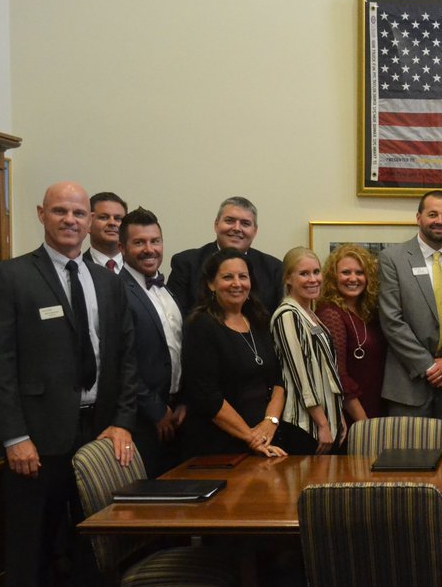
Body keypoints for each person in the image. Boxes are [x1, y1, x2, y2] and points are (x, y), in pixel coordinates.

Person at [0, 181, 138, 587]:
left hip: (97, 434)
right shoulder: (12, 277)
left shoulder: (108, 282)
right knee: (32, 549)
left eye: (79, 213)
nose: (71, 220)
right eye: (60, 211)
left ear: (90, 222)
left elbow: (125, 358)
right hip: (36, 440)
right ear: (41, 214)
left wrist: (122, 421)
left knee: (94, 543)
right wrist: (14, 436)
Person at [181, 248, 308, 458]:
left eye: (243, 276)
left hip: (267, 436)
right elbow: (207, 397)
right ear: (211, 284)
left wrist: (270, 422)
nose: (237, 283)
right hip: (221, 446)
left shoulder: (259, 319)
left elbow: (279, 378)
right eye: (227, 277)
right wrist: (251, 437)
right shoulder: (201, 326)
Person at [377, 190, 442, 431]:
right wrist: (427, 366)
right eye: (432, 214)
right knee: (406, 452)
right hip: (407, 383)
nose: (440, 220)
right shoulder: (392, 258)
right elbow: (391, 321)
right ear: (418, 217)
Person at [118, 206, 185, 477]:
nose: (149, 249)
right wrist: (156, 411)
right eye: (139, 243)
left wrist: (184, 401)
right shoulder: (116, 291)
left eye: (155, 241)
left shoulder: (168, 290)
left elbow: (178, 349)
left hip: (177, 413)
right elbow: (122, 361)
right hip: (143, 419)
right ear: (122, 248)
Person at [271, 248, 348, 453]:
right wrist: (323, 424)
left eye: (316, 272)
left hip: (327, 421)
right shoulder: (288, 315)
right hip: (306, 426)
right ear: (288, 279)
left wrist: (337, 416)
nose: (313, 279)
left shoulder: (310, 314)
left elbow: (326, 371)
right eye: (304, 274)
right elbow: (301, 376)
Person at [167, 196, 284, 315]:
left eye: (245, 223)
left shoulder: (274, 269)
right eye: (229, 221)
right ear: (216, 224)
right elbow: (175, 317)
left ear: (255, 231)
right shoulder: (186, 264)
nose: (237, 228)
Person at [316, 244, 385, 426]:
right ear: (333, 277)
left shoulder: (370, 312)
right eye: (346, 272)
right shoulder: (330, 314)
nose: (353, 278)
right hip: (353, 414)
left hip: (376, 404)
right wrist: (364, 424)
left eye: (360, 273)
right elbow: (338, 375)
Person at [83, 191, 126, 273]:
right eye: (103, 217)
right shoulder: (77, 267)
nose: (112, 223)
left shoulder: (138, 267)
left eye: (118, 218)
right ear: (88, 223)